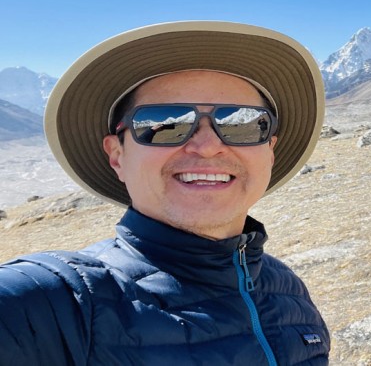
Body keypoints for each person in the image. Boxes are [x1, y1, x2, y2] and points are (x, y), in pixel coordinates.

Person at [0, 21, 330, 365]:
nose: (207, 147)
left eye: (241, 123)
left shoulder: (287, 289)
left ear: (270, 151)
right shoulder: (60, 302)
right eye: (164, 123)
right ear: (117, 156)